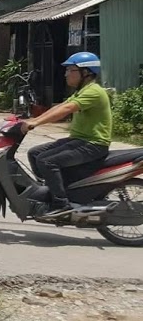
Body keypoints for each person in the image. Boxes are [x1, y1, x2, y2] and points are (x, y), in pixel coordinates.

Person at [22, 52, 111, 218]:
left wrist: (35, 123)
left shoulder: (94, 92)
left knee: (46, 160)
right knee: (34, 153)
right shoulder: (82, 90)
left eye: (70, 70)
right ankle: (53, 189)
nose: (66, 74)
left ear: (86, 72)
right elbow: (61, 106)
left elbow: (66, 110)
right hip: (79, 140)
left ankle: (61, 204)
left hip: (93, 144)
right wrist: (33, 120)